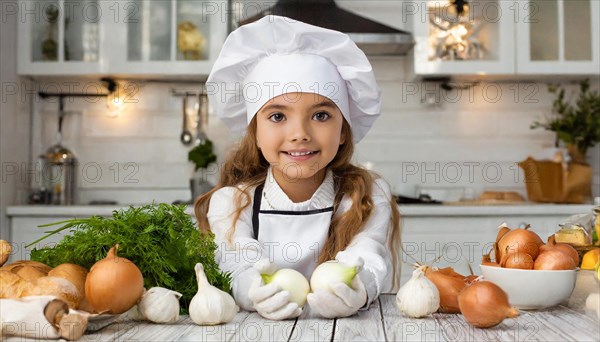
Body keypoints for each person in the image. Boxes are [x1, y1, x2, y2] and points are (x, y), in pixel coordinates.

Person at [195, 15, 401, 320]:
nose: (299, 133)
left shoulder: (363, 196)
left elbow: (368, 257)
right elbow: (235, 264)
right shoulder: (233, 202)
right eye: (278, 117)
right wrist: (251, 289)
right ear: (255, 132)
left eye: (320, 115)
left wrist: (359, 287)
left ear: (344, 130)